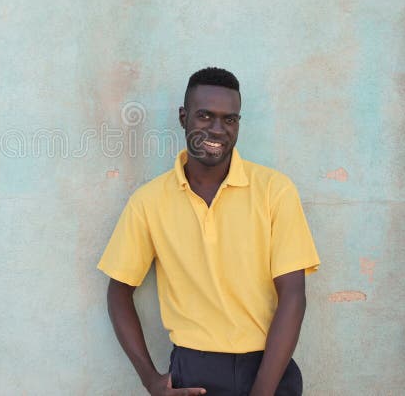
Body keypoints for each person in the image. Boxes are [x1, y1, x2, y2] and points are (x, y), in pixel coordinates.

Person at [98, 67, 320, 396]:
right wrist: (150, 379)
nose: (217, 129)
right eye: (205, 116)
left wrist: (262, 391)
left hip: (269, 370)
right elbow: (118, 292)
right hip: (193, 374)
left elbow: (293, 296)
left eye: (229, 119)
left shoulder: (274, 191)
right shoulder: (149, 202)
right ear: (183, 117)